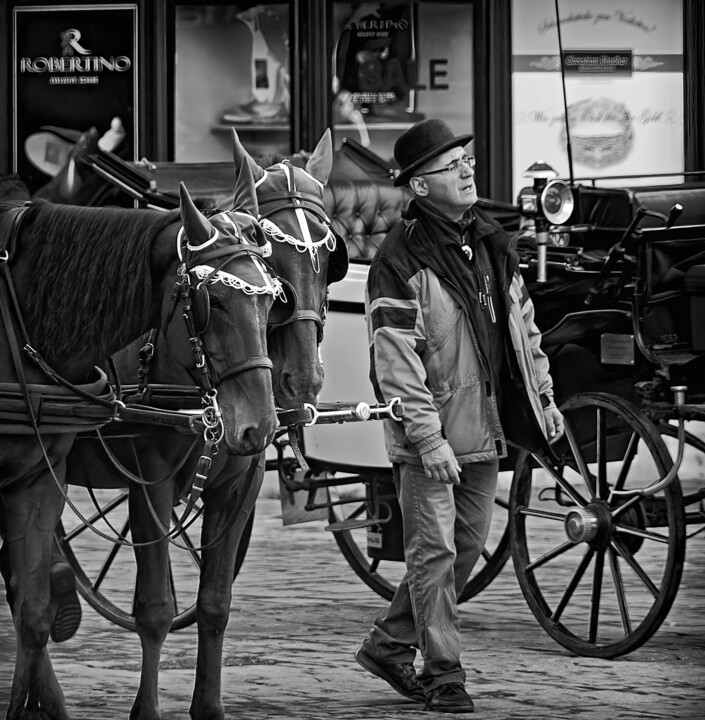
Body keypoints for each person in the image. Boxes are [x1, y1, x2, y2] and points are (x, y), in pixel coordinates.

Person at [355, 119, 564, 714]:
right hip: (434, 439)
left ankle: (388, 645)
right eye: (453, 165)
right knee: (434, 554)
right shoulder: (397, 261)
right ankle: (444, 672)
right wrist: (427, 439)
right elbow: (394, 365)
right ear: (420, 188)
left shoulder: (489, 241)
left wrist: (543, 401)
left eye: (467, 158)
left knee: (465, 549)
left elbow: (525, 332)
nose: (469, 168)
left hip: (484, 426)